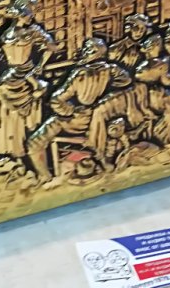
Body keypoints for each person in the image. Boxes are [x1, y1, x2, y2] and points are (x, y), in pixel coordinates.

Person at [26, 38, 132, 181]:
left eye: (87, 48)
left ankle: (45, 176)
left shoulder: (81, 74)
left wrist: (69, 111)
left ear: (93, 52)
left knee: (34, 142)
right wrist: (106, 93)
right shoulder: (110, 69)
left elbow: (56, 100)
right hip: (95, 117)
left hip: (77, 120)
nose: (83, 51)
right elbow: (126, 80)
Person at [0, 0, 57, 159]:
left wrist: (40, 65)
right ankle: (6, 148)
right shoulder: (7, 34)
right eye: (30, 12)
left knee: (19, 113)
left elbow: (51, 46)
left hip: (26, 74)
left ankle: (21, 147)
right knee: (1, 99)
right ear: (22, 12)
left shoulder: (32, 31)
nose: (32, 16)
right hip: (10, 75)